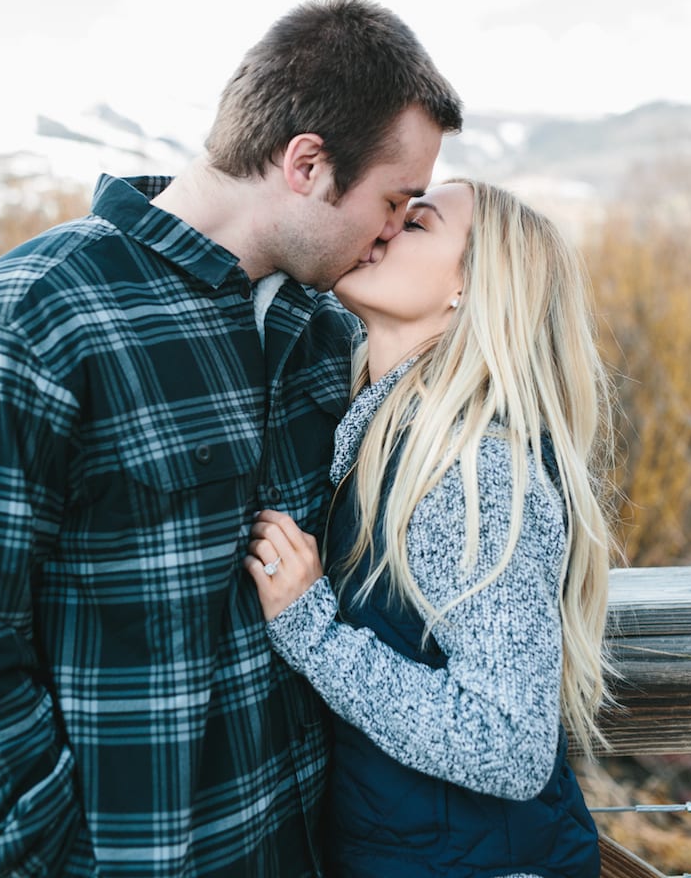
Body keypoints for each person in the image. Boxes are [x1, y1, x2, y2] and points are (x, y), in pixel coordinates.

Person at [0, 0, 462, 877]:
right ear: (307, 164)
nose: (390, 231)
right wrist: (34, 846)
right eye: (393, 200)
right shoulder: (28, 323)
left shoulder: (327, 331)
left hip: (303, 846)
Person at [246, 180, 615, 878]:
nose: (381, 230)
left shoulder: (470, 469)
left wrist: (314, 634)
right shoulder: (387, 431)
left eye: (415, 226)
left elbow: (508, 744)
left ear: (470, 289)